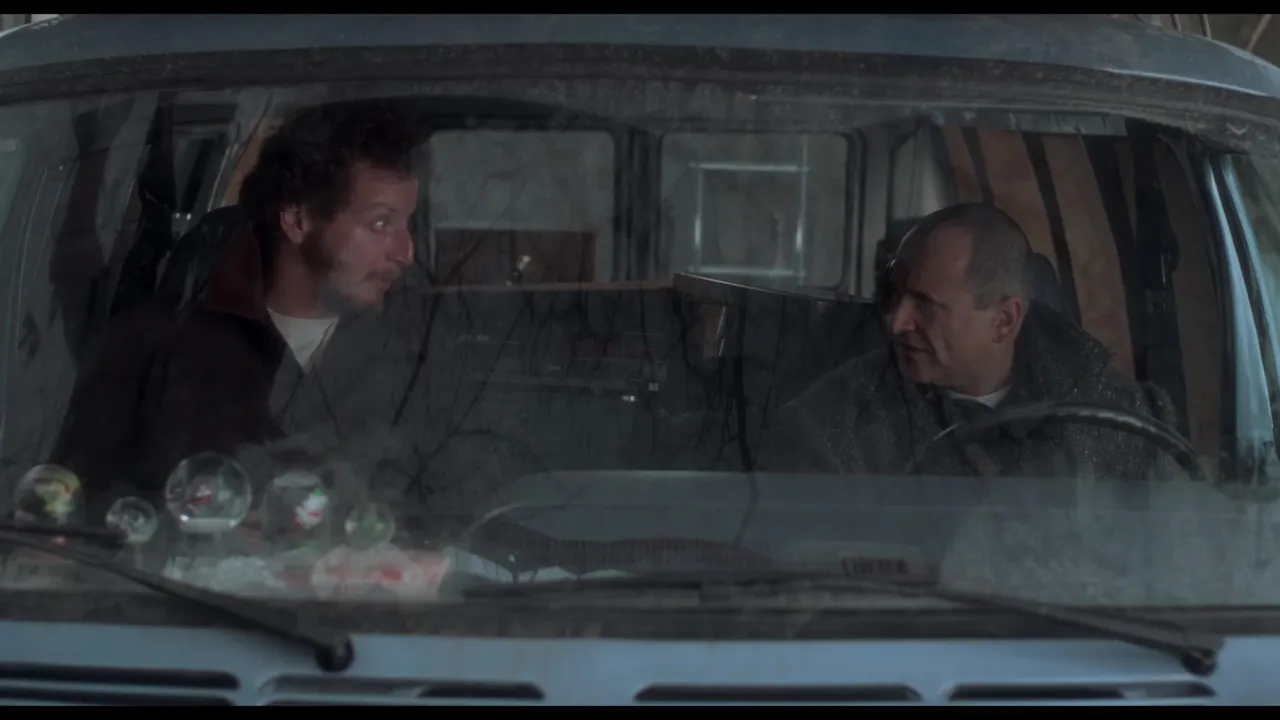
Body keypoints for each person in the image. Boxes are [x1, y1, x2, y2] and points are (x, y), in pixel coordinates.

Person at [50, 100, 428, 525]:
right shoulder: (155, 353)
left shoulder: (422, 356)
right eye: (380, 224)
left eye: (407, 225)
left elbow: (455, 510)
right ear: (298, 221)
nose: (406, 253)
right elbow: (71, 510)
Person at [758, 202, 1178, 481]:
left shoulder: (1121, 422)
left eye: (925, 304)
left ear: (1003, 321)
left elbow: (1179, 552)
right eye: (895, 296)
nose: (897, 322)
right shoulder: (833, 426)